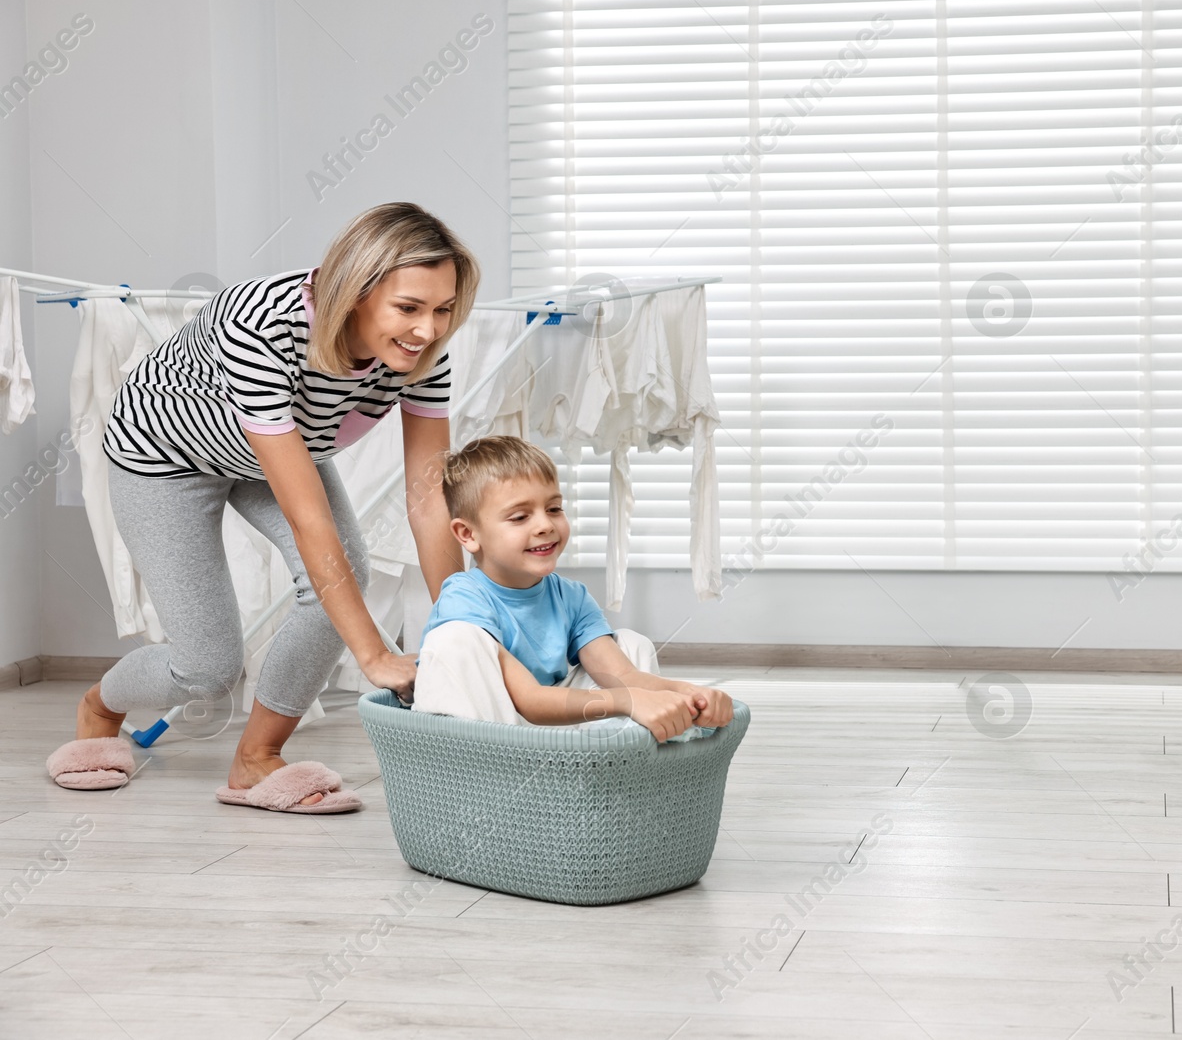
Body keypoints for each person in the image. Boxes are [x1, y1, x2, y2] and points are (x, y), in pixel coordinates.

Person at [44, 202, 479, 814]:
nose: (427, 329)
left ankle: (256, 761)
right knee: (207, 670)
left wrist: (464, 626)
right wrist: (374, 655)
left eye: (442, 310)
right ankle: (100, 705)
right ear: (353, 290)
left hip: (272, 446)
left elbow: (429, 497)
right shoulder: (265, 324)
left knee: (343, 575)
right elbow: (308, 521)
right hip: (164, 453)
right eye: (409, 308)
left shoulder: (425, 355)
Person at [411, 435, 733, 740]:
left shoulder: (571, 597)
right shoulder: (464, 596)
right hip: (483, 734)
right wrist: (628, 701)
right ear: (468, 535)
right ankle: (499, 786)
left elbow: (627, 680)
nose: (545, 525)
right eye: (520, 516)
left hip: (539, 732)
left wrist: (690, 694)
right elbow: (529, 700)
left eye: (554, 508)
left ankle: (612, 768)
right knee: (455, 640)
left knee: (632, 645)